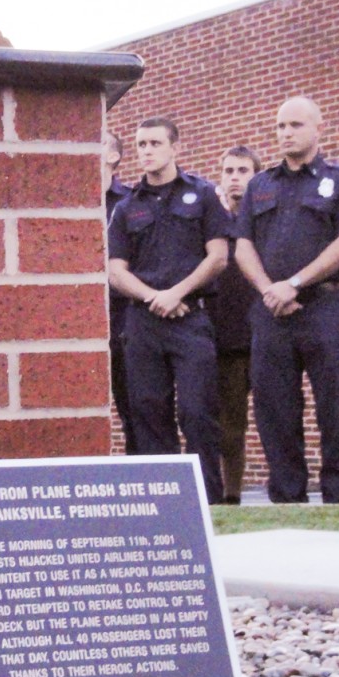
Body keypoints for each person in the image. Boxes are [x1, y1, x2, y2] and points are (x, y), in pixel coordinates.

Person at [234, 97, 339, 503]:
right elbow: (242, 246)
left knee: (336, 406)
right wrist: (268, 290)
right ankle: (287, 498)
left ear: (318, 128)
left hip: (325, 308)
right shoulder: (260, 185)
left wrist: (293, 283)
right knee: (274, 411)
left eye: (295, 124)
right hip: (271, 312)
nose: (286, 132)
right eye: (280, 126)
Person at [107, 117, 229, 504]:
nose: (147, 151)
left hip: (190, 318)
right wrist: (152, 298)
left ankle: (207, 501)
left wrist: (177, 293)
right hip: (142, 323)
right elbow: (114, 270)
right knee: (148, 412)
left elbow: (219, 255)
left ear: (175, 147)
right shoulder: (126, 208)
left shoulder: (203, 194)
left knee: (196, 412)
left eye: (155, 143)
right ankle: (165, 504)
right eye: (141, 144)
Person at [208, 145, 261, 505]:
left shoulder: (266, 218)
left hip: (268, 330)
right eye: (228, 171)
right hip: (227, 336)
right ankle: (230, 495)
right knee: (230, 423)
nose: (235, 178)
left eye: (243, 170)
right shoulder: (211, 222)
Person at [103, 132, 137, 453]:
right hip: (81, 317)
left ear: (114, 156)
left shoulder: (129, 202)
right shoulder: (70, 200)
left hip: (122, 314)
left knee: (132, 403)